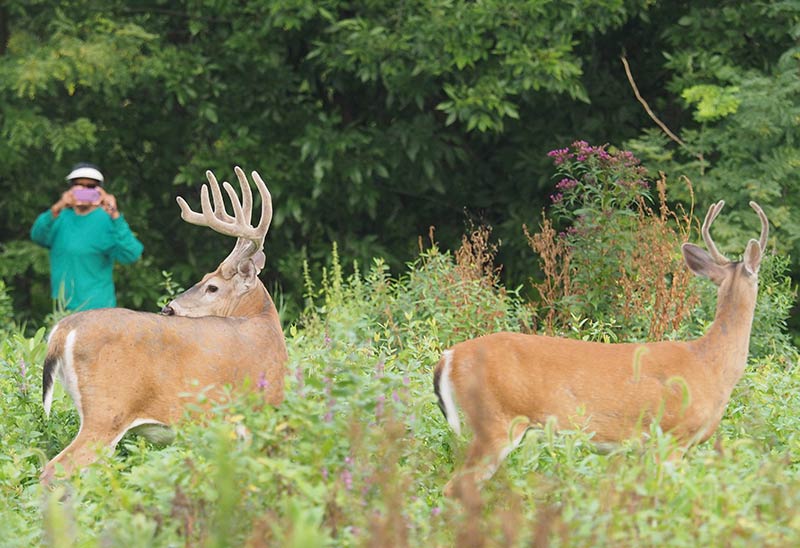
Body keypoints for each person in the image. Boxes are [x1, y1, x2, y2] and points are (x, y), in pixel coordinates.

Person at [31, 162, 144, 311]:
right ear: (70, 188)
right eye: (78, 185)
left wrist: (114, 214)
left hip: (98, 310)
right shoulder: (60, 217)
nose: (84, 190)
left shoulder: (107, 220)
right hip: (63, 308)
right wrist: (58, 206)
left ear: (100, 190)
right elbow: (37, 235)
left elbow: (132, 254)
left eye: (91, 187)